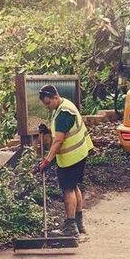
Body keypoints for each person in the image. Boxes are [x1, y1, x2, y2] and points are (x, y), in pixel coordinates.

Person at [36, 84, 95, 237]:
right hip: (79, 153)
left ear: (56, 97)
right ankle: (78, 223)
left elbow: (58, 141)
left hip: (71, 157)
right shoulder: (65, 105)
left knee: (68, 189)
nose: (47, 107)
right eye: (45, 104)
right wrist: (49, 130)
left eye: (49, 103)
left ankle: (70, 226)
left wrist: (47, 161)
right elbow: (63, 131)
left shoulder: (63, 113)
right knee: (74, 186)